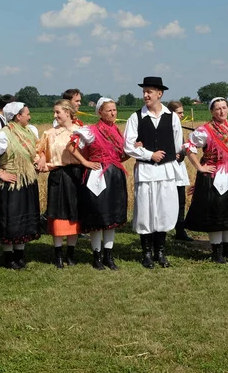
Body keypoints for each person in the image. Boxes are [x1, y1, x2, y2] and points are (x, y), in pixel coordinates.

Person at [124, 77, 183, 269]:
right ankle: (147, 253)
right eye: (144, 91)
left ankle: (161, 252)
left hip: (166, 171)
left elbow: (177, 145)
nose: (146, 95)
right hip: (146, 171)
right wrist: (150, 154)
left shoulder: (172, 117)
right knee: (145, 212)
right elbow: (128, 147)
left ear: (160, 93)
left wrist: (172, 157)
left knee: (164, 212)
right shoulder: (136, 117)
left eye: (150, 91)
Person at [184, 98, 228, 263]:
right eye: (218, 109)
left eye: (224, 108)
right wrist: (200, 167)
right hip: (213, 175)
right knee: (216, 213)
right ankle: (216, 252)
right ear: (212, 112)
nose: (221, 111)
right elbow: (189, 147)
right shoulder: (204, 131)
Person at [69, 97, 128, 270]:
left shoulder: (118, 131)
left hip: (115, 175)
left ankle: (108, 256)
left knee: (112, 217)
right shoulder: (90, 131)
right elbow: (71, 147)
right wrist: (85, 162)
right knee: (98, 216)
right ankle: (97, 256)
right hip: (97, 176)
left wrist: (133, 151)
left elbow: (120, 156)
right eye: (109, 110)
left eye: (115, 109)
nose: (113, 113)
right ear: (100, 112)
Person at [0, 102, 41, 269]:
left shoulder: (30, 132)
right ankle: (9, 258)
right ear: (17, 116)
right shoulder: (3, 135)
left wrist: (38, 163)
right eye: (27, 114)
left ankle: (19, 256)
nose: (30, 117)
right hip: (11, 183)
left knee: (23, 219)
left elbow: (38, 152)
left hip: (27, 181)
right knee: (10, 220)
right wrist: (0, 173)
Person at [35, 100, 83, 268]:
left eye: (58, 112)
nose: (54, 115)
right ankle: (58, 255)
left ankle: (71, 253)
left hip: (76, 175)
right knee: (57, 213)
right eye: (54, 112)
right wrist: (41, 158)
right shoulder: (49, 133)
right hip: (57, 174)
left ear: (68, 113)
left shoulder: (80, 131)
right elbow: (39, 151)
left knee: (74, 214)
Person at [166, 101, 193, 242]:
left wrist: (182, 152)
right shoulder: (163, 127)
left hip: (179, 167)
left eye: (182, 112)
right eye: (179, 113)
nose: (182, 115)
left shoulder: (179, 127)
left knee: (181, 200)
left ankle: (180, 230)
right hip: (167, 168)